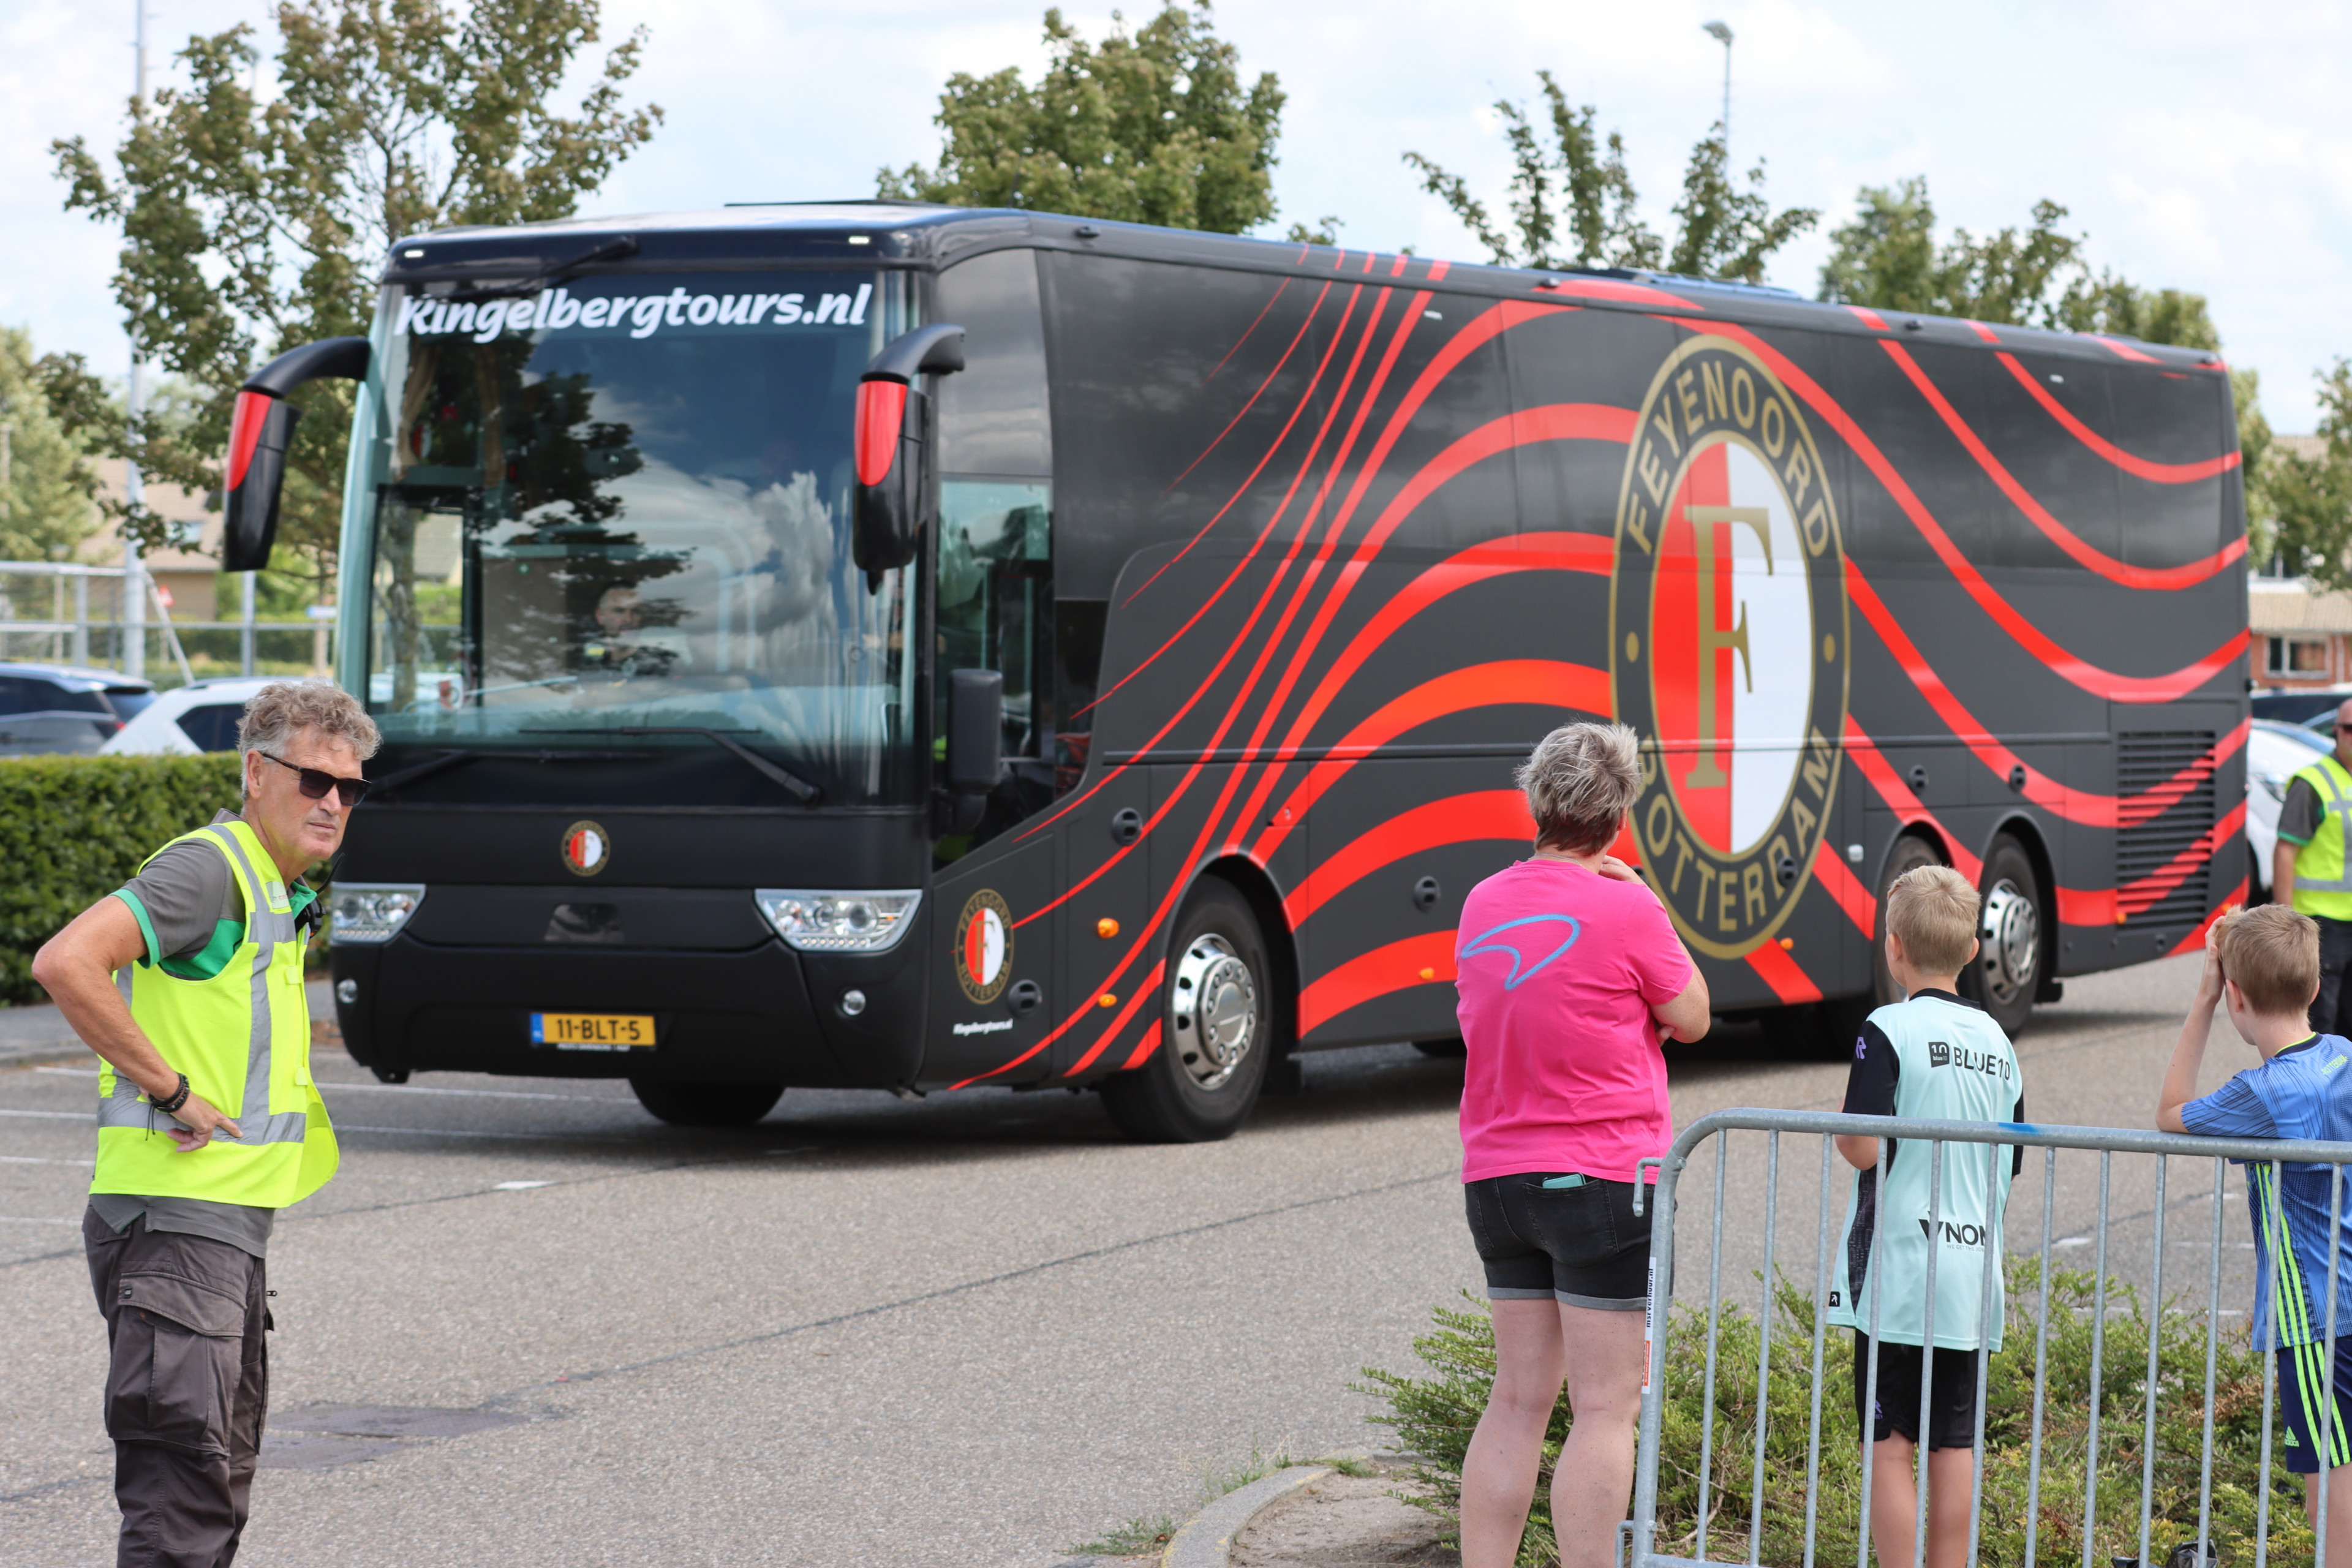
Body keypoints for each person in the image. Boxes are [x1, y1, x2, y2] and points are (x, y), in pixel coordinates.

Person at [30, 681, 379, 1567]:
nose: (334, 802)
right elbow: (68, 962)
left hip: (218, 1230)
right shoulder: (210, 869)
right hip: (174, 1227)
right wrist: (172, 1091)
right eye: (314, 781)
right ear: (257, 772)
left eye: (351, 787)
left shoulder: (272, 888)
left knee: (212, 1497)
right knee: (180, 1508)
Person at [1451, 722, 1711, 1568]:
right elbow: (1694, 1017)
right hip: (1603, 1179)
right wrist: (1644, 897)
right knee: (1603, 1408)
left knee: (1519, 1399)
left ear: (1537, 801)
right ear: (1619, 815)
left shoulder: (1482, 903)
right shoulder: (1627, 904)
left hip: (1496, 1179)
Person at [1825, 864, 2024, 1568]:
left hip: (1899, 1274)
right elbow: (2013, 1156)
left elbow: (1860, 1145)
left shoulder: (1888, 1027)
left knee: (1889, 1443)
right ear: (1974, 950)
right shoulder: (2000, 1044)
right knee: (1954, 1444)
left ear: (1894, 946)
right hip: (1971, 1278)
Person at [2160, 903, 2352, 1565]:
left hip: (2313, 1316)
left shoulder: (2263, 1092)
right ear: (2317, 986)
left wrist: (2204, 998)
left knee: (2330, 1489)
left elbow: (2168, 1112)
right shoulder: (2345, 1056)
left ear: (2237, 995)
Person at [2272, 696, 2352, 1036]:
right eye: (2350, 729)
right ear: (2336, 732)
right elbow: (2285, 851)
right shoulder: (2313, 783)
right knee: (2321, 1021)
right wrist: (2282, 922)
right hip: (2322, 925)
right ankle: (2319, 1090)